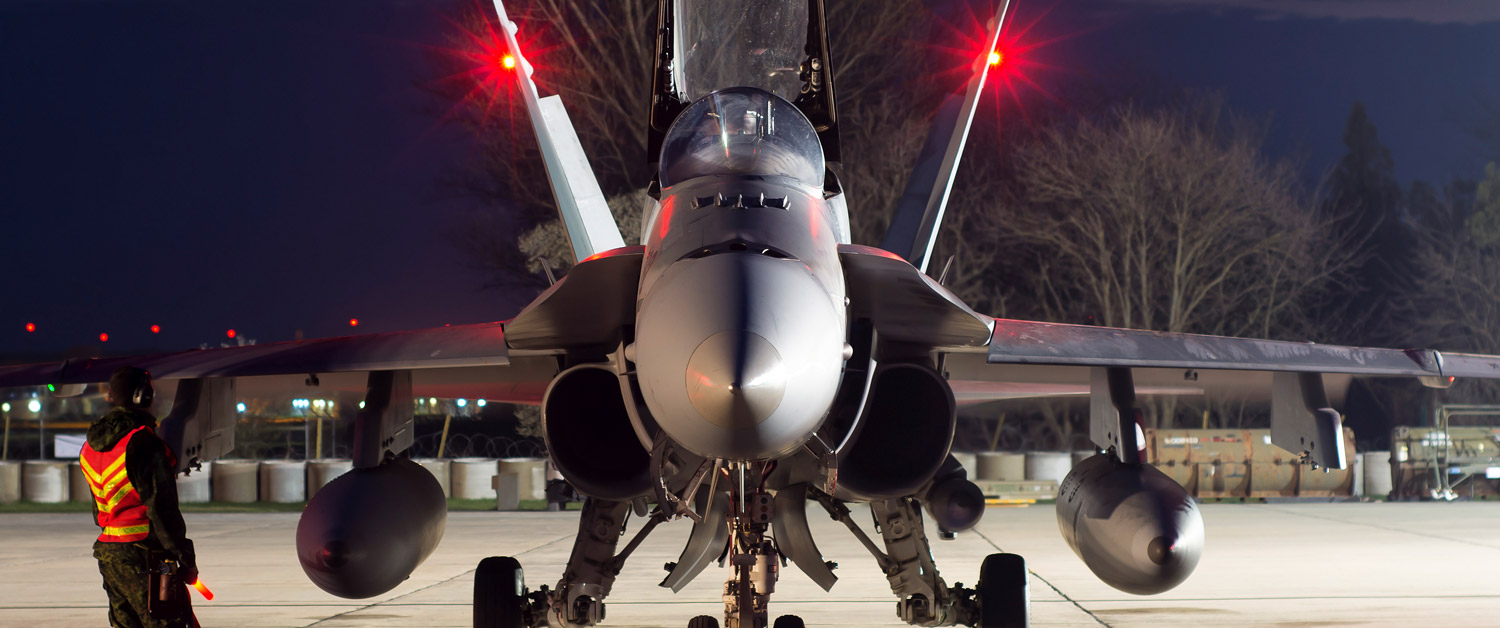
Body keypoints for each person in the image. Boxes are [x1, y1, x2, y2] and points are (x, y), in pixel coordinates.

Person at [81, 366, 199, 628]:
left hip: (110, 557)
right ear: (142, 397)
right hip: (145, 557)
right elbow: (162, 509)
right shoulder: (144, 443)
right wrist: (186, 559)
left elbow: (98, 511)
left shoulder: (89, 446)